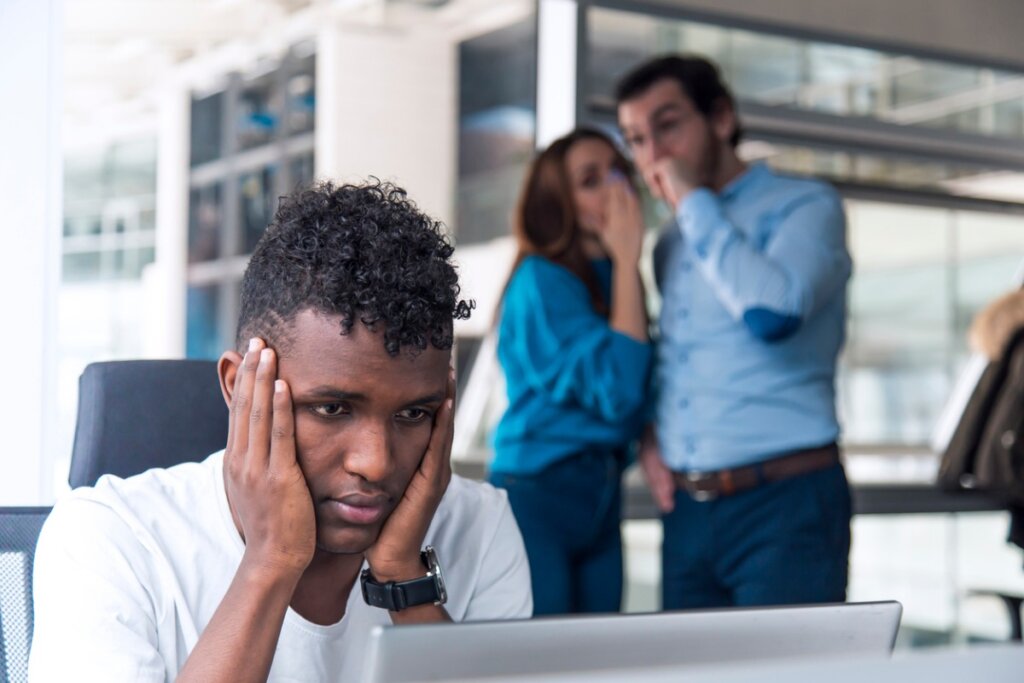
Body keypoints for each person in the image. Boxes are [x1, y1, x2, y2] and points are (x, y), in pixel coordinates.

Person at [30, 181, 533, 682]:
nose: (375, 462)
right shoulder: (111, 540)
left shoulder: (479, 528)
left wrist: (403, 577)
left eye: (413, 415)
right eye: (333, 408)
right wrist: (271, 560)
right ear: (238, 387)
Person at [615, 55, 853, 609]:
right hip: (688, 512)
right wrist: (652, 432)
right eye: (636, 138)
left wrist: (694, 201)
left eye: (668, 125)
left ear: (720, 118)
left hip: (786, 505)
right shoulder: (672, 240)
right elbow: (681, 355)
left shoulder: (806, 205)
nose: (653, 153)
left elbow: (773, 314)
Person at [488, 128, 653, 615]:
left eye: (618, 170)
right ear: (558, 202)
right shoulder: (541, 280)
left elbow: (639, 388)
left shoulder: (616, 277)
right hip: (538, 495)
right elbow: (620, 391)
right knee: (541, 659)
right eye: (590, 180)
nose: (615, 187)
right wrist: (627, 259)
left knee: (599, 657)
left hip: (601, 493)